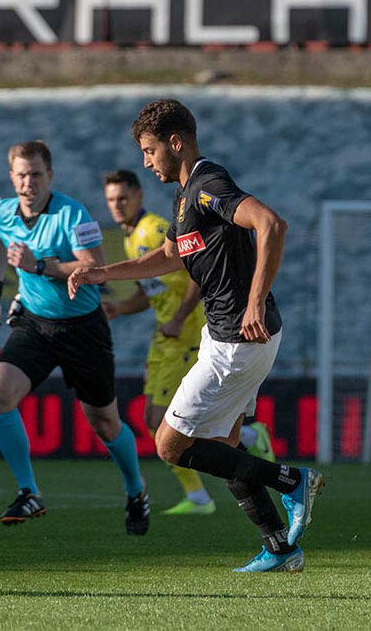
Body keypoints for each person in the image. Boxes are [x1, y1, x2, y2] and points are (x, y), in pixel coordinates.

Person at [69, 99, 323, 572]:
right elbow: (167, 257)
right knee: (223, 445)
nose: (146, 162)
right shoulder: (186, 196)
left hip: (237, 341)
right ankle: (280, 548)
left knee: (170, 443)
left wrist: (253, 300)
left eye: (149, 151)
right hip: (227, 336)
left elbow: (271, 224)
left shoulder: (208, 185)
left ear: (175, 143)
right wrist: (102, 273)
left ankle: (293, 483)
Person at [0, 140, 150, 535]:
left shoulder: (73, 213)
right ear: (12, 177)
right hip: (36, 325)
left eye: (36, 174)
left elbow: (95, 267)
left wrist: (38, 265)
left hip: (82, 329)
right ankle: (29, 491)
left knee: (105, 423)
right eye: (21, 175)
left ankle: (135, 490)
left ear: (50, 176)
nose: (28, 183)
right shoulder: (1, 211)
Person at [102, 169, 277, 516]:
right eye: (110, 200)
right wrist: (119, 309)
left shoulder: (154, 229)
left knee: (160, 421)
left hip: (187, 334)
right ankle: (210, 486)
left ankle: (221, 476)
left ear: (138, 196)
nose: (116, 205)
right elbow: (151, 290)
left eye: (123, 197)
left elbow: (195, 273)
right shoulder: (131, 236)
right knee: (160, 422)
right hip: (163, 338)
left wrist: (181, 317)